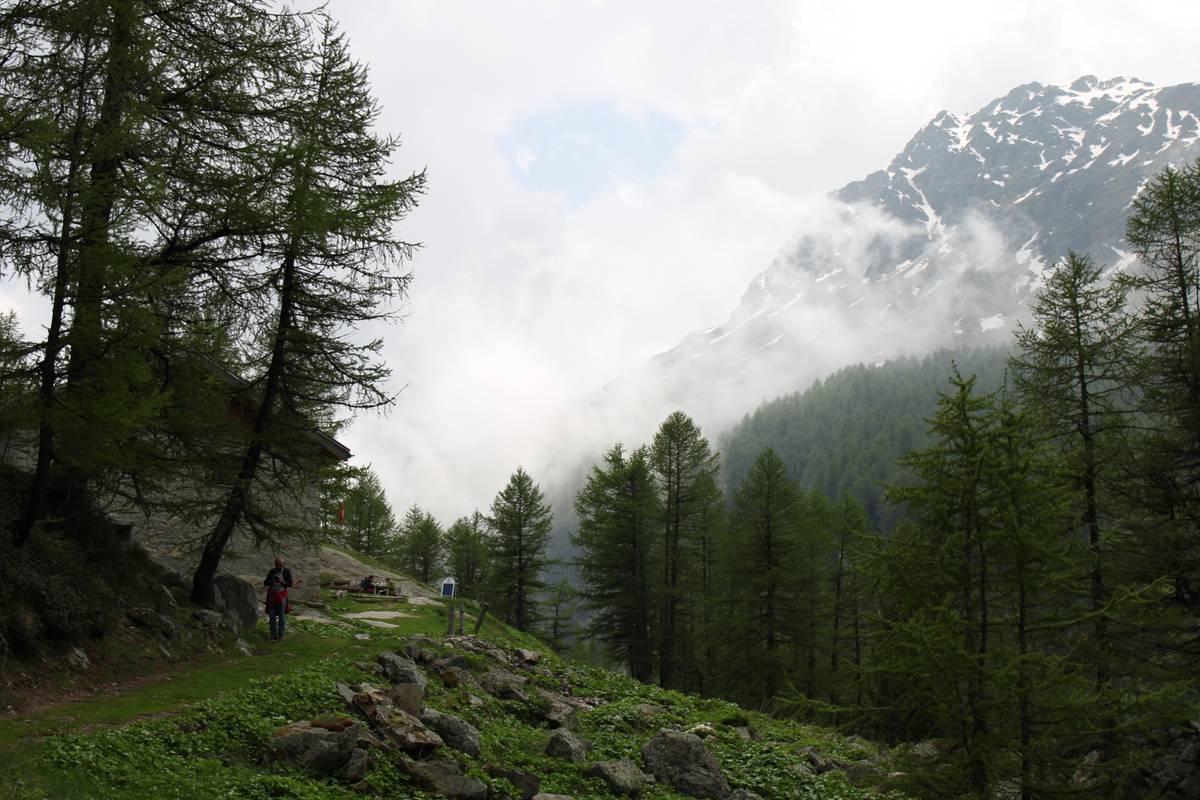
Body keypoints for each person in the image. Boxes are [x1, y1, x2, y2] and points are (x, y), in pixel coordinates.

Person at [264, 556, 293, 641]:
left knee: (281, 615)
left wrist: (282, 581)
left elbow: (290, 584)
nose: (279, 567)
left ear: (283, 564)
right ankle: (273, 634)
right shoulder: (272, 571)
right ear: (275, 565)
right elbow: (265, 583)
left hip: (282, 596)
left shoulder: (287, 571)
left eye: (280, 565)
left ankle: (281, 635)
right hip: (272, 596)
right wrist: (272, 581)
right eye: (277, 565)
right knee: (272, 615)